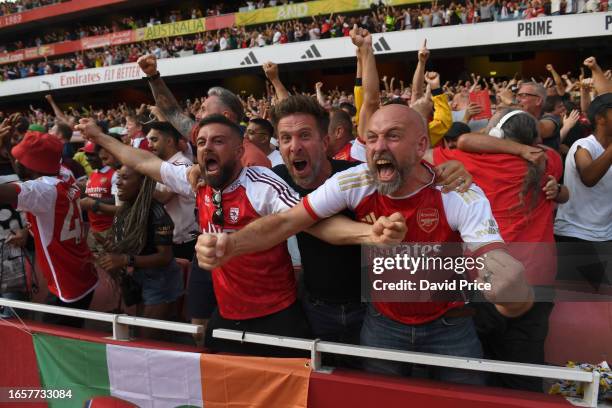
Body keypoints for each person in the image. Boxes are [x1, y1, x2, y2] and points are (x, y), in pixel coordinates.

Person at [195, 103, 533, 385]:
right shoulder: (353, 180)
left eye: (392, 136)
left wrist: (507, 283)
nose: (379, 147)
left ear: (420, 146)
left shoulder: (456, 190)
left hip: (450, 324)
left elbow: (494, 257)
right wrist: (230, 244)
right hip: (381, 322)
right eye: (371, 138)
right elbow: (286, 221)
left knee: (465, 401)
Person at [76, 114, 403, 356]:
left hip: (277, 313)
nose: (207, 148)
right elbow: (144, 161)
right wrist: (98, 136)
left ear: (238, 150)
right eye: (201, 142)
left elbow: (314, 223)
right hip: (228, 312)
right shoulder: (197, 180)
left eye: (218, 141)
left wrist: (369, 234)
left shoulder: (262, 185)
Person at [430, 109, 566, 391]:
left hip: (480, 281)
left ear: (495, 134)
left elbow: (464, 139)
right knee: (522, 378)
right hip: (535, 284)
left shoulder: (465, 160)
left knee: (472, 375)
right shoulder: (549, 161)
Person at [0, 129, 97, 327]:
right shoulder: (63, 175)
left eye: (20, 158)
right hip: (82, 274)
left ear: (30, 166)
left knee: (56, 346)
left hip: (67, 284)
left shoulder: (42, 191)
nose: (16, 161)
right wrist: (10, 151)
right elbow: (27, 173)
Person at [97, 165, 183, 338]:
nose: (118, 183)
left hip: (161, 281)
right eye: (118, 177)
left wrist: (125, 259)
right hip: (141, 276)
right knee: (140, 333)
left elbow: (165, 257)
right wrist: (112, 249)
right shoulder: (126, 210)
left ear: (143, 183)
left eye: (125, 178)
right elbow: (134, 246)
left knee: (148, 338)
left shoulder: (157, 214)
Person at [554, 93, 612, 289]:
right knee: (576, 305)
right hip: (575, 235)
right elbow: (589, 176)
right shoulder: (583, 146)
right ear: (600, 118)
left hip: (604, 235)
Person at [146, 121, 198, 261]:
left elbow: (163, 197)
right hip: (170, 238)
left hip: (185, 241)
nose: (149, 144)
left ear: (169, 141)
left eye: (154, 139)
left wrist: (140, 182)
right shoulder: (164, 165)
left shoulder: (183, 164)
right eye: (148, 140)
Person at [79, 141, 119, 255]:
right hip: (94, 230)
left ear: (101, 155)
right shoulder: (92, 175)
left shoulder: (114, 174)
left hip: (110, 230)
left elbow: (117, 201)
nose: (87, 159)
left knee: (113, 267)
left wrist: (91, 201)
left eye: (91, 155)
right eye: (86, 155)